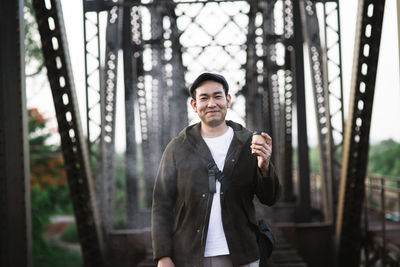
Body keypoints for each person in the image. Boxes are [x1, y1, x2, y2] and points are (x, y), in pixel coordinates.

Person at [152, 73, 281, 267]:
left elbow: (269, 198)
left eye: (217, 96)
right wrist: (163, 255)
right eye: (204, 98)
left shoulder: (248, 143)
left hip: (243, 254)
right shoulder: (178, 147)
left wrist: (264, 166)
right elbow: (161, 204)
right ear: (194, 105)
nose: (212, 103)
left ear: (227, 100)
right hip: (190, 255)